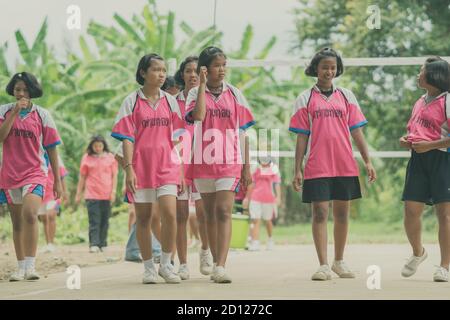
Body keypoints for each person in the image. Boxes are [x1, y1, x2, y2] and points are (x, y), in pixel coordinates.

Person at [289, 47, 376, 281]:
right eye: (325, 67)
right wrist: (297, 168)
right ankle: (323, 265)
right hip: (317, 165)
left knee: (342, 214)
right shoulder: (304, 99)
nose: (329, 71)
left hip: (344, 164)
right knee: (319, 213)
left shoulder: (347, 96)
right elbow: (301, 137)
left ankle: (339, 261)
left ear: (337, 70)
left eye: (333, 67)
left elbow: (357, 132)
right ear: (315, 69)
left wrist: (367, 161)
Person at [112, 53, 185, 284]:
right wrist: (129, 169)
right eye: (156, 69)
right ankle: (148, 269)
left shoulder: (170, 101)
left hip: (168, 166)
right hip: (141, 167)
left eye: (163, 70)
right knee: (143, 218)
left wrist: (181, 169)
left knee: (170, 215)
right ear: (143, 73)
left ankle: (165, 264)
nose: (161, 74)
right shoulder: (131, 101)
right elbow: (126, 138)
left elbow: (178, 138)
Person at [185, 46, 255, 283]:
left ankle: (221, 266)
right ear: (205, 69)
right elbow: (199, 117)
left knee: (224, 211)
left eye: (224, 64)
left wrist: (246, 166)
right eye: (217, 65)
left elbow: (243, 133)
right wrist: (202, 85)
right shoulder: (195, 93)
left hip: (229, 161)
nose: (222, 69)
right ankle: (214, 259)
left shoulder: (235, 94)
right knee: (209, 215)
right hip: (202, 162)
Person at [0, 72, 63, 281]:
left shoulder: (43, 115)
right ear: (13, 91)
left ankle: (30, 265)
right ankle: (19, 268)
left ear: (32, 91)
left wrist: (58, 181)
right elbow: (1, 137)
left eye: (26, 90)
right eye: (18, 89)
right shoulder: (4, 111)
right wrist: (14, 113)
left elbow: (52, 149)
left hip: (35, 172)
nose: (21, 93)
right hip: (9, 174)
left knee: (30, 214)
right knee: (17, 222)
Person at [399, 56, 450, 282]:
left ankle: (445, 266)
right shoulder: (419, 101)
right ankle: (418, 252)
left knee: (445, 215)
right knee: (410, 211)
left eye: (421, 71)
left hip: (442, 160)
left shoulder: (448, 101)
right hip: (418, 160)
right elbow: (415, 130)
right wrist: (407, 139)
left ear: (433, 75)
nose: (418, 75)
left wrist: (430, 145)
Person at [174, 56, 213, 280]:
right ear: (182, 74)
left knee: (203, 213)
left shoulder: (207, 99)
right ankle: (182, 263)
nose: (192, 75)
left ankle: (205, 250)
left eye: (196, 71)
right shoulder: (171, 101)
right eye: (188, 71)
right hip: (176, 163)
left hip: (201, 161)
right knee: (180, 214)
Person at [75, 135, 118, 253]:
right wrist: (78, 193)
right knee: (94, 220)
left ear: (104, 145)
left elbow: (115, 176)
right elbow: (82, 177)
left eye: (100, 145)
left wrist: (113, 191)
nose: (98, 148)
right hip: (91, 194)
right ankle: (94, 244)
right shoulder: (87, 158)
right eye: (95, 146)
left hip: (107, 193)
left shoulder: (110, 157)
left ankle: (103, 243)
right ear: (92, 147)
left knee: (105, 220)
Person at [245, 157, 281, 251]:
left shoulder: (273, 170)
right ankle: (255, 242)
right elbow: (251, 184)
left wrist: (278, 197)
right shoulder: (255, 169)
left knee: (268, 220)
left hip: (269, 199)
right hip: (255, 198)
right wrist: (247, 198)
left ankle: (270, 240)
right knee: (255, 220)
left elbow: (277, 184)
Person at [38, 154, 68, 253]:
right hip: (40, 193)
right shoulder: (36, 154)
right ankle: (47, 243)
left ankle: (51, 243)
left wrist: (65, 192)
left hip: (54, 194)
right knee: (44, 219)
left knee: (51, 216)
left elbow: (62, 176)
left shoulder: (55, 156)